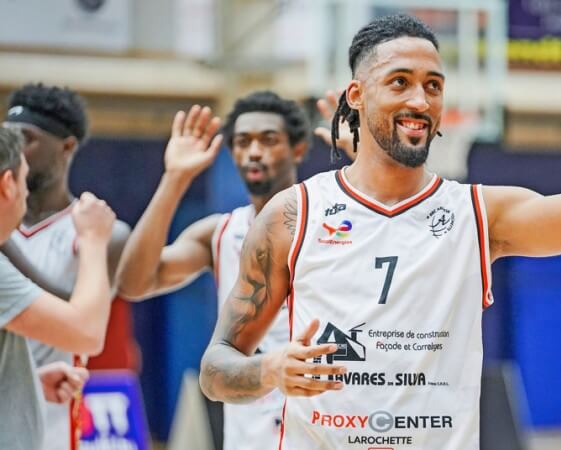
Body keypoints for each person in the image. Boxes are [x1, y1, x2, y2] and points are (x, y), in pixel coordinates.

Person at [200, 3, 561, 448]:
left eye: (434, 85)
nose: (420, 100)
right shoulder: (293, 214)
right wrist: (269, 371)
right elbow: (215, 369)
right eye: (399, 82)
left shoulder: (478, 214)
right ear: (356, 96)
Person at [116, 90, 350, 449]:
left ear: (298, 149)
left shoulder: (334, 223)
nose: (254, 151)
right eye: (243, 142)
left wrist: (365, 159)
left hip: (326, 422)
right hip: (251, 430)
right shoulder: (221, 232)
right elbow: (134, 283)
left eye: (268, 140)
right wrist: (175, 178)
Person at [1, 82, 131, 450]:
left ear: (67, 146)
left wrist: (29, 380)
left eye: (27, 139)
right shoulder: (93, 233)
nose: (17, 152)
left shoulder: (99, 228)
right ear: (8, 186)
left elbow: (71, 320)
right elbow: (83, 329)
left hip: (41, 408)